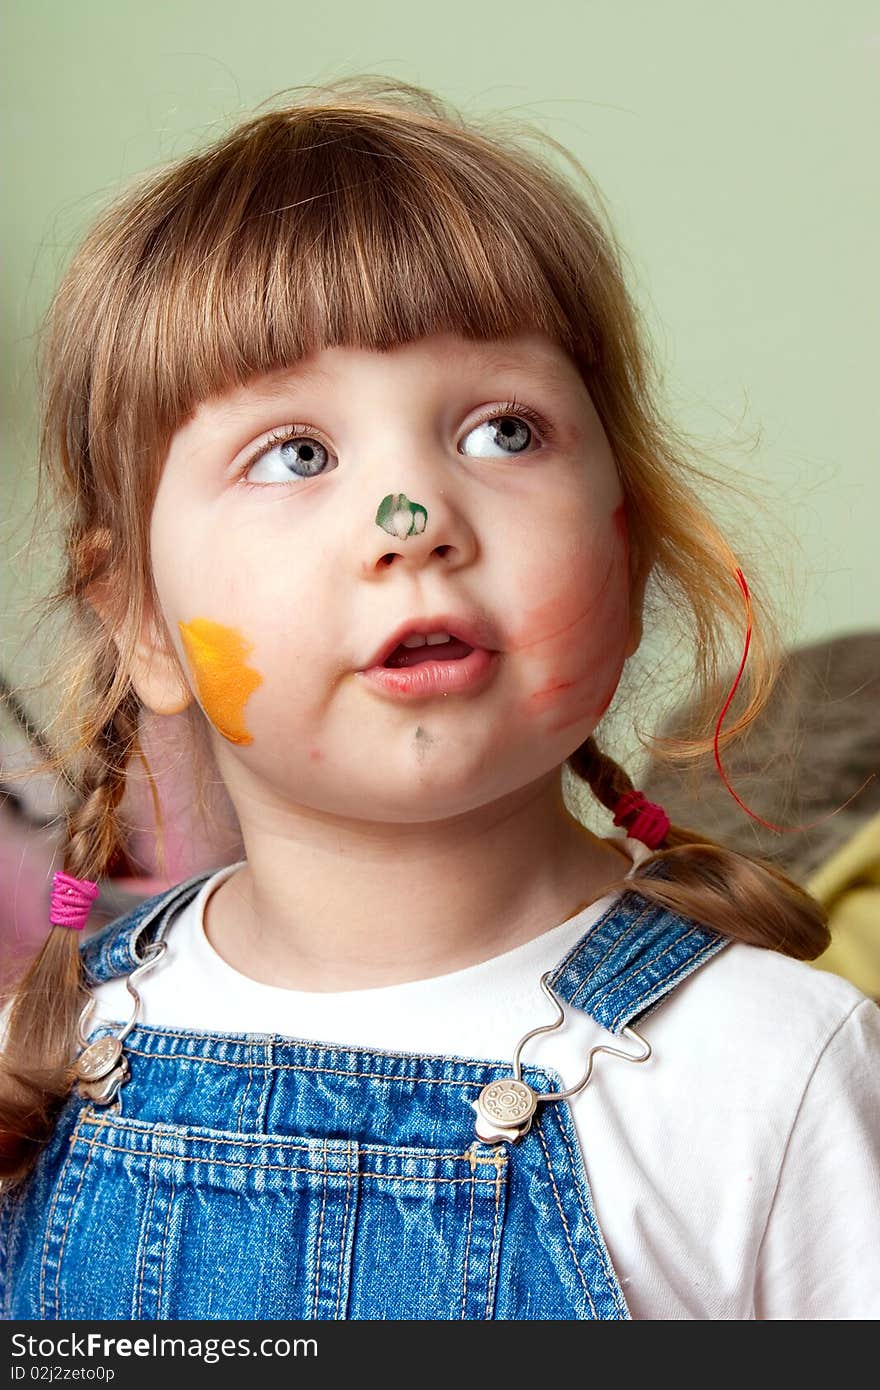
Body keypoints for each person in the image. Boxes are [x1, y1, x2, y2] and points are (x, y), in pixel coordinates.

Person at [1, 77, 878, 1322]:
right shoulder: (33, 1072)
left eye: (502, 432)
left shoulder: (771, 1073)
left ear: (626, 555)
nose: (410, 521)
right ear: (140, 619)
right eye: (295, 453)